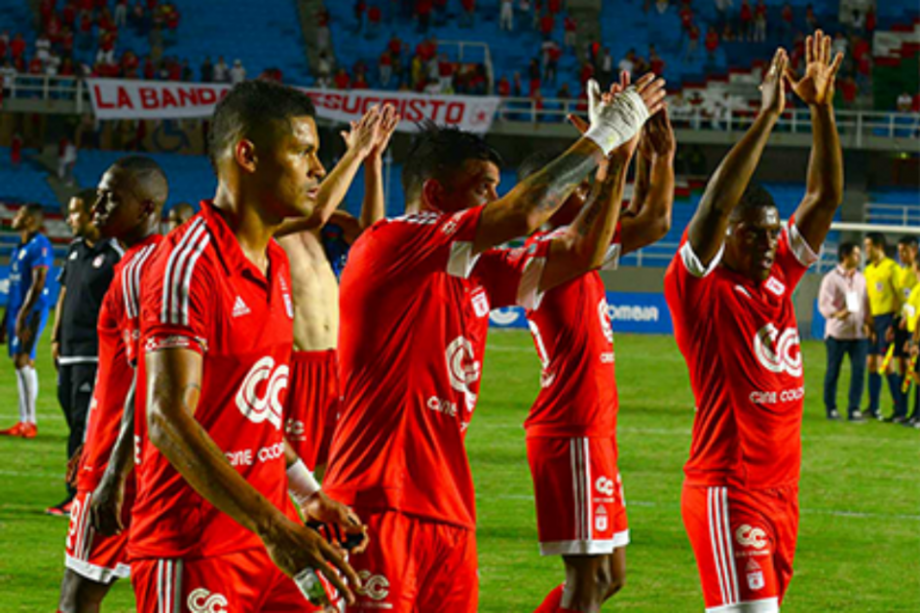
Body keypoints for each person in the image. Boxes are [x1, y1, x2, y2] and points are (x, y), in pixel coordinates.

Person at [323, 75, 666, 612]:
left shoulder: (479, 270)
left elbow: (580, 251)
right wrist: (606, 132)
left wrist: (615, 161)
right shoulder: (392, 240)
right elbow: (526, 213)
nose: (496, 199)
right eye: (484, 186)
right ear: (437, 194)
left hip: (449, 508)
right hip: (377, 498)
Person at [129, 80, 364, 611]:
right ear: (249, 155)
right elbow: (166, 419)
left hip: (266, 541)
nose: (318, 170)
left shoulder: (276, 263)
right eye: (303, 151)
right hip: (192, 549)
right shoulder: (187, 266)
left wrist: (307, 495)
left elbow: (252, 418)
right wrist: (276, 526)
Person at [664, 35, 843, 612]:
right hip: (728, 487)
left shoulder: (778, 279)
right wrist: (768, 116)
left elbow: (823, 197)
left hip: (782, 495)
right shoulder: (701, 291)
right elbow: (714, 207)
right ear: (727, 240)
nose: (770, 243)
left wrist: (821, 108)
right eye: (755, 234)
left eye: (772, 232)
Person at [526, 105, 676, 613]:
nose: (589, 194)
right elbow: (632, 218)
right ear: (548, 201)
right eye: (578, 188)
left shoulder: (582, 254)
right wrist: (616, 158)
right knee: (586, 585)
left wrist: (659, 158)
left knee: (611, 577)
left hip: (594, 432)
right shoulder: (548, 253)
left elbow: (653, 219)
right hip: (570, 430)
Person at [58, 156, 167, 613]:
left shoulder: (136, 271)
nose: (97, 206)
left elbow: (147, 376)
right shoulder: (156, 264)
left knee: (75, 601)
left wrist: (112, 471)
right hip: (137, 459)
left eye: (110, 198)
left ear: (145, 208)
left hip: (118, 468)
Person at [275, 104, 398, 480]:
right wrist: (355, 153)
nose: (317, 174)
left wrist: (373, 161)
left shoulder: (323, 225)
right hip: (298, 367)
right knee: (289, 482)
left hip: (335, 367)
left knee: (337, 477)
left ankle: (328, 539)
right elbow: (317, 211)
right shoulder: (273, 220)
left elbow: (372, 236)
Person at [47, 190, 123, 517]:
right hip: (69, 351)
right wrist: (55, 336)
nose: (69, 219)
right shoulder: (75, 251)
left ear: (93, 214)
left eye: (75, 213)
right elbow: (65, 294)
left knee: (83, 423)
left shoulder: (114, 254)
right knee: (73, 418)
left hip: (94, 354)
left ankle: (78, 493)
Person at [0, 204, 53, 439]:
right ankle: (24, 421)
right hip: (15, 312)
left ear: (31, 220)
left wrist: (23, 314)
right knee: (18, 362)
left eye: (20, 214)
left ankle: (30, 422)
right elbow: (14, 289)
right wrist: (5, 323)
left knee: (24, 360)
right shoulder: (19, 247)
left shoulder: (39, 244)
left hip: (31, 312)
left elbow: (39, 282)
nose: (15, 217)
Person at [818, 242, 871, 422]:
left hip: (858, 334)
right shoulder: (831, 279)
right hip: (837, 334)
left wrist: (868, 323)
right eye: (856, 254)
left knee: (859, 372)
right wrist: (839, 314)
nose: (859, 257)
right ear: (845, 256)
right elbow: (824, 305)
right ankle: (831, 408)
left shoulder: (861, 278)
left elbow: (865, 303)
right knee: (833, 371)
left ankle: (854, 409)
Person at [864, 232, 905, 420]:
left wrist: (895, 322)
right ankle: (873, 408)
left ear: (878, 246)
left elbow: (900, 296)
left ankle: (899, 409)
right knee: (871, 363)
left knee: (887, 365)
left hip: (888, 320)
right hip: (873, 320)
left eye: (868, 246)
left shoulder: (892, 268)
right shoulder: (867, 270)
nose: (866, 250)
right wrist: (867, 322)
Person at [893, 235, 919, 422]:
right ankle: (906, 412)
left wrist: (914, 341)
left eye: (905, 250)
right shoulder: (902, 273)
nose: (901, 254)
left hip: (916, 332)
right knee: (910, 370)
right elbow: (910, 307)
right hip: (909, 329)